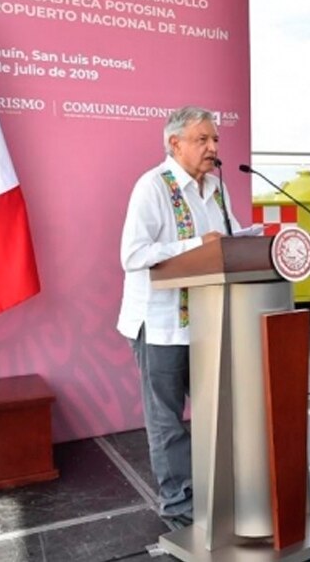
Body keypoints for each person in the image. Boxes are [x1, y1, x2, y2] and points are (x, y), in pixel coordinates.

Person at [117, 106, 241, 527]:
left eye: (215, 139)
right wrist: (194, 245)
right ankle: (179, 504)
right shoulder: (153, 187)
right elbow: (132, 255)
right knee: (167, 419)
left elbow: (229, 243)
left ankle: (215, 490)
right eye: (203, 139)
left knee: (214, 411)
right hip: (161, 324)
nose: (213, 147)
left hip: (206, 323)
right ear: (176, 143)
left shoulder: (215, 189)